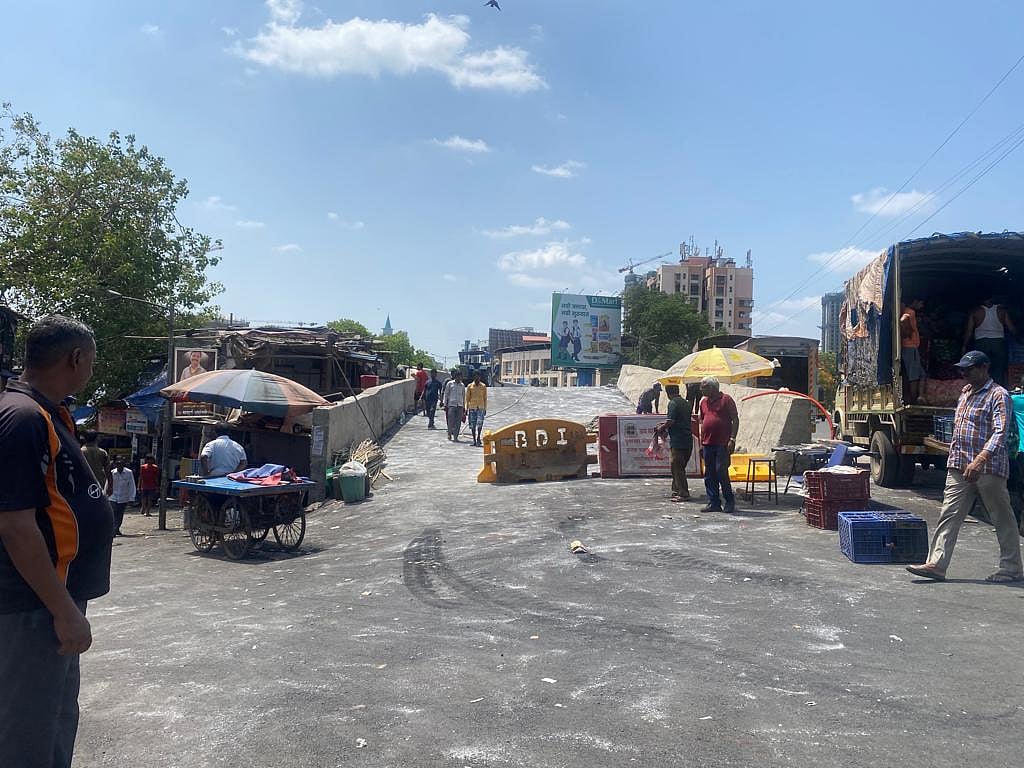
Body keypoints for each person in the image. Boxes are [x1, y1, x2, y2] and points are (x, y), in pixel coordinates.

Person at [0, 315, 113, 767]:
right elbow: (15, 525)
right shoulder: (23, 417)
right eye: (92, 361)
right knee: (28, 729)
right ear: (76, 358)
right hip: (35, 607)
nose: (91, 371)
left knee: (54, 718)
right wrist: (63, 611)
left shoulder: (45, 411)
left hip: (49, 602)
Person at [907, 351, 1024, 583]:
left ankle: (1012, 568)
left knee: (1001, 516)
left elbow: (999, 432)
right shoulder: (966, 393)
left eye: (969, 369)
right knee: (949, 514)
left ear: (984, 368)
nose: (965, 373)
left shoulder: (998, 395)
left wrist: (980, 460)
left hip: (988, 467)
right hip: (959, 465)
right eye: (963, 369)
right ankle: (936, 564)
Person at [698, 376, 739, 513]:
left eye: (704, 387)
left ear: (712, 388)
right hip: (707, 443)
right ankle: (714, 502)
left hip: (722, 443)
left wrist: (732, 439)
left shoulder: (726, 399)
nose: (701, 389)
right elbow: (702, 422)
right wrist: (701, 444)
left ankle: (729, 501)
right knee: (709, 474)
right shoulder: (703, 402)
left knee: (721, 472)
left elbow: (735, 419)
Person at [963, 298, 1016, 388]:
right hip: (998, 343)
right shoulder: (1001, 311)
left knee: (982, 369)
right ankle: (998, 391)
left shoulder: (976, 311)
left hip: (982, 343)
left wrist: (964, 345)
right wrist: (1018, 338)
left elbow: (969, 331)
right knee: (999, 369)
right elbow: (1011, 328)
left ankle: (982, 390)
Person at [656, 384, 693, 502]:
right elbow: (679, 420)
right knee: (678, 466)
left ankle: (683, 493)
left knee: (677, 466)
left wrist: (661, 428)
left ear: (668, 393)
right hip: (687, 440)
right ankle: (676, 489)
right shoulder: (686, 403)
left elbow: (671, 421)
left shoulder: (673, 403)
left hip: (678, 441)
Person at [900, 298, 925, 404]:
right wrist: (908, 332)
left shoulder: (905, 311)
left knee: (922, 374)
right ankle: (914, 399)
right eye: (921, 302)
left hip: (909, 348)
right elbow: (903, 320)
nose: (922, 306)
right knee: (914, 375)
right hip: (910, 347)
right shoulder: (910, 312)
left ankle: (919, 396)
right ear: (915, 301)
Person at [108, 455, 136, 538]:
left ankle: (116, 528)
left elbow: (131, 485)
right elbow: (108, 483)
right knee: (113, 514)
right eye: (118, 462)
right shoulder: (112, 473)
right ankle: (113, 530)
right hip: (112, 496)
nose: (119, 464)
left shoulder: (129, 473)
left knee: (119, 514)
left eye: (121, 462)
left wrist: (132, 498)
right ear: (115, 463)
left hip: (123, 497)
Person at [441, 370, 467, 442]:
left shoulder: (462, 385)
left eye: (461, 377)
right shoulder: (450, 384)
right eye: (459, 376)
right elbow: (446, 394)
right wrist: (445, 404)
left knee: (458, 422)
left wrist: (464, 407)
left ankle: (456, 436)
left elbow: (463, 396)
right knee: (451, 421)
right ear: (455, 377)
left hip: (460, 405)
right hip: (451, 405)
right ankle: (449, 433)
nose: (460, 378)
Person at [465, 372, 488, 446]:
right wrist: (466, 408)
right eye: (475, 378)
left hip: (480, 407)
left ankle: (478, 438)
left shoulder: (483, 386)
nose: (477, 379)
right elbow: (467, 398)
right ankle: (474, 440)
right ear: (474, 378)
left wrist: (485, 408)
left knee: (480, 424)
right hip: (472, 407)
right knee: (472, 424)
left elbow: (485, 398)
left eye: (478, 378)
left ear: (480, 378)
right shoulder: (470, 386)